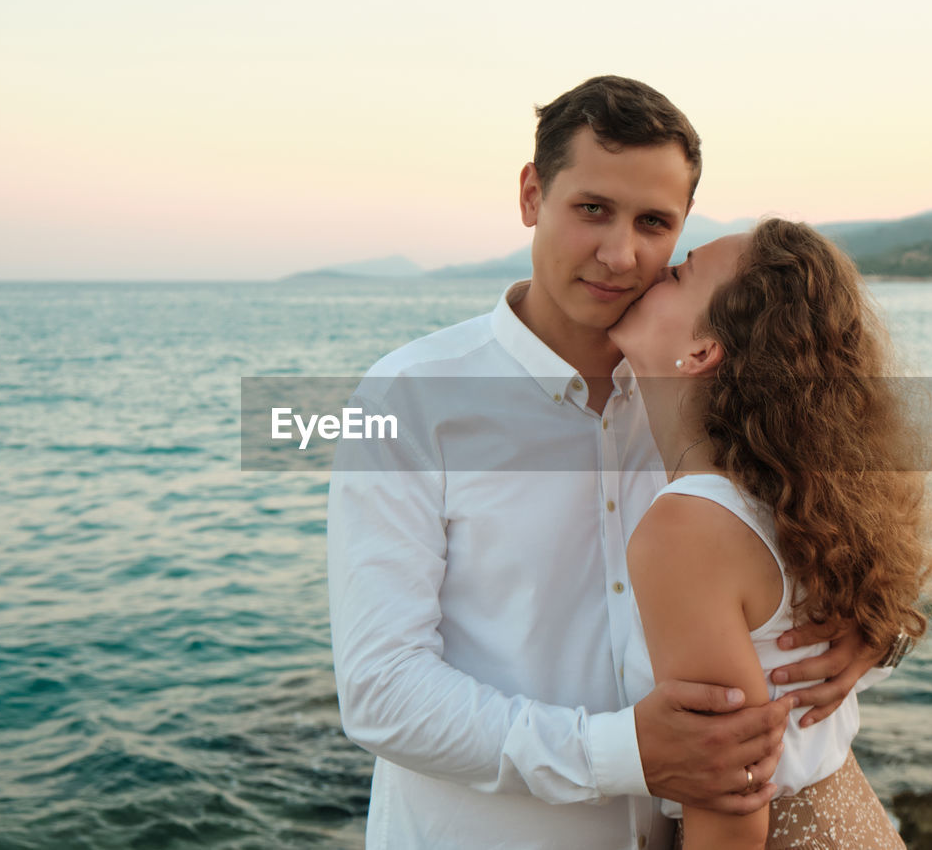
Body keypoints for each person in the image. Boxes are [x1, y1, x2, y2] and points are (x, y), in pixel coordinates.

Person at [328, 76, 895, 849]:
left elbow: (827, 531)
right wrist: (627, 753)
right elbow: (382, 692)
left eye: (654, 222)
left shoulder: (711, 401)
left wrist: (874, 633)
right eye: (591, 209)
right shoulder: (410, 397)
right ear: (532, 194)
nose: (620, 253)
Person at [609, 220, 932, 848]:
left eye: (679, 273)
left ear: (703, 352)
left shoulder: (688, 526)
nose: (648, 269)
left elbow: (731, 798)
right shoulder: (788, 497)